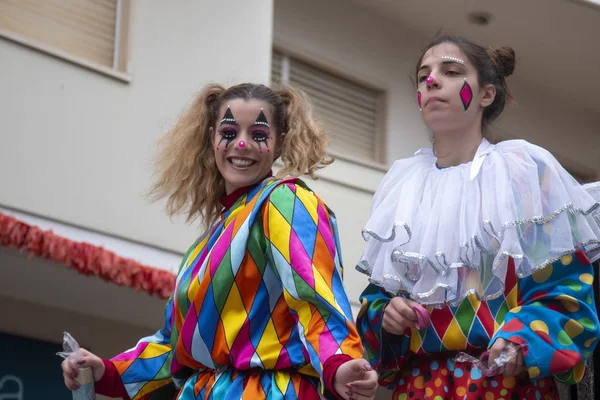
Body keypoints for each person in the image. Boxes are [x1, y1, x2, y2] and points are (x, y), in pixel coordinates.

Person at [61, 83, 379, 400]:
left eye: (258, 134)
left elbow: (316, 299)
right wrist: (106, 370)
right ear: (212, 138)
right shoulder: (208, 241)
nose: (241, 144)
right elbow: (177, 345)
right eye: (229, 132)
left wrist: (339, 364)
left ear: (280, 143)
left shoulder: (285, 201)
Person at [356, 35, 600, 399]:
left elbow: (567, 290)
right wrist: (386, 314)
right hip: (420, 388)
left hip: (507, 387)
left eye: (450, 71)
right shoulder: (403, 186)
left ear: (486, 94)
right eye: (424, 75)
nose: (432, 81)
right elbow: (377, 296)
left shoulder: (525, 174)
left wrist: (522, 338)